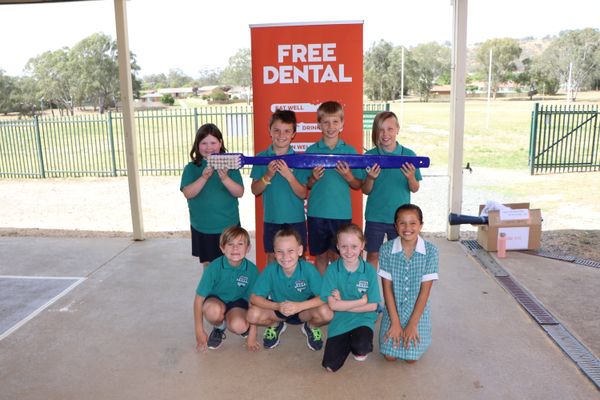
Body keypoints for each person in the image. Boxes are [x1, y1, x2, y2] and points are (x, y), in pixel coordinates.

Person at [298, 101, 365, 275]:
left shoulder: (350, 151)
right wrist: (313, 178)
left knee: (338, 256)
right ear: (319, 125)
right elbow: (306, 185)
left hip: (341, 214)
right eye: (326, 122)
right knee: (320, 257)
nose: (330, 127)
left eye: (335, 122)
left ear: (342, 124)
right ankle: (322, 290)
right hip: (317, 213)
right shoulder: (311, 151)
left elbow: (358, 184)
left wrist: (348, 176)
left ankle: (338, 288)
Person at [246, 227, 333, 351]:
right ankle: (275, 325)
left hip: (304, 311)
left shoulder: (308, 269)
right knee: (252, 315)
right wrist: (277, 306)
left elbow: (324, 296)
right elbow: (254, 298)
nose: (285, 256)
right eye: (280, 251)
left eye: (290, 251)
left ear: (300, 250)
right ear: (274, 253)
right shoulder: (270, 270)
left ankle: (311, 326)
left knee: (327, 313)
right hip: (278, 310)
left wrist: (299, 306)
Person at [378, 204, 438, 363]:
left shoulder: (431, 251)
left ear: (421, 225)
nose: (407, 228)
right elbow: (387, 289)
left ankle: (418, 328)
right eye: (402, 223)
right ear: (395, 226)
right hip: (394, 310)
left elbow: (425, 291)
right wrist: (395, 323)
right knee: (389, 356)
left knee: (411, 359)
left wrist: (412, 324)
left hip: (417, 312)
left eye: (413, 223)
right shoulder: (386, 249)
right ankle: (392, 324)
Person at [362, 111, 422, 268]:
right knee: (373, 254)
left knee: (398, 256)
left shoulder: (409, 155)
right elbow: (366, 190)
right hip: (375, 215)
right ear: (375, 131)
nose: (385, 134)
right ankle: (370, 283)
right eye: (381, 130)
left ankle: (395, 283)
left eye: (390, 129)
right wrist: (370, 178)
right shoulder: (370, 156)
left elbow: (415, 188)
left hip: (401, 218)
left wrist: (410, 177)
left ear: (398, 129)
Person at [180, 123, 244, 268]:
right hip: (203, 227)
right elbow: (188, 193)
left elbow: (239, 192)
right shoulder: (191, 168)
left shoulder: (230, 165)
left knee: (232, 263)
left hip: (229, 226)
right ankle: (211, 284)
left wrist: (225, 178)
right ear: (197, 145)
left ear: (220, 143)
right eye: (204, 143)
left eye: (213, 143)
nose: (209, 147)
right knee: (209, 266)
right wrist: (203, 178)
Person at [320, 224, 381, 372]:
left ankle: (356, 342)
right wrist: (361, 301)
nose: (349, 251)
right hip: (340, 319)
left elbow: (373, 306)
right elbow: (333, 306)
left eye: (354, 246)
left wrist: (342, 303)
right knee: (329, 366)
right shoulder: (332, 269)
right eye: (344, 246)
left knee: (361, 348)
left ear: (362, 245)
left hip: (363, 318)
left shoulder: (369, 270)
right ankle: (347, 338)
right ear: (337, 247)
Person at [250, 110, 307, 264]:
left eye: (287, 131)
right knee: (272, 256)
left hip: (295, 219)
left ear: (293, 134)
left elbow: (303, 193)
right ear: (270, 131)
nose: (281, 135)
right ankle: (272, 281)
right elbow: (255, 190)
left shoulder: (299, 160)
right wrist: (268, 175)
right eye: (277, 130)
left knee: (298, 257)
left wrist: (289, 175)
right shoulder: (261, 158)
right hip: (272, 218)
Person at [193, 226, 260, 351]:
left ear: (248, 248)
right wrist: (198, 330)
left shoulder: (252, 270)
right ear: (222, 248)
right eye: (230, 244)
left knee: (240, 326)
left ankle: (238, 320)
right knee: (212, 311)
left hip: (238, 302)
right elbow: (198, 299)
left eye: (240, 244)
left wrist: (253, 333)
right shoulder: (213, 267)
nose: (235, 248)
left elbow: (255, 302)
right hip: (216, 300)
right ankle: (219, 326)